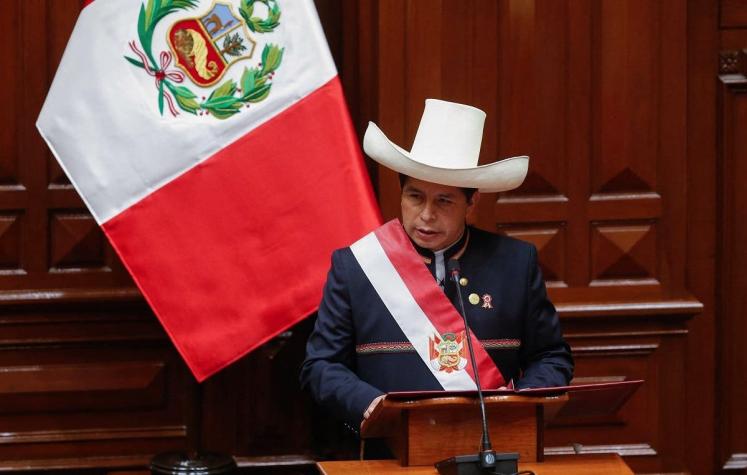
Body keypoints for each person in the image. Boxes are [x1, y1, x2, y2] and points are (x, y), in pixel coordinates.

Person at [300, 99, 573, 430]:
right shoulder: (356, 267)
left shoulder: (515, 263)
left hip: (492, 446)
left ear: (471, 203)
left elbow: (550, 357)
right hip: (388, 452)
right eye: (415, 197)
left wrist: (517, 406)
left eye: (444, 200)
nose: (426, 215)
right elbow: (321, 366)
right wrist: (373, 407)